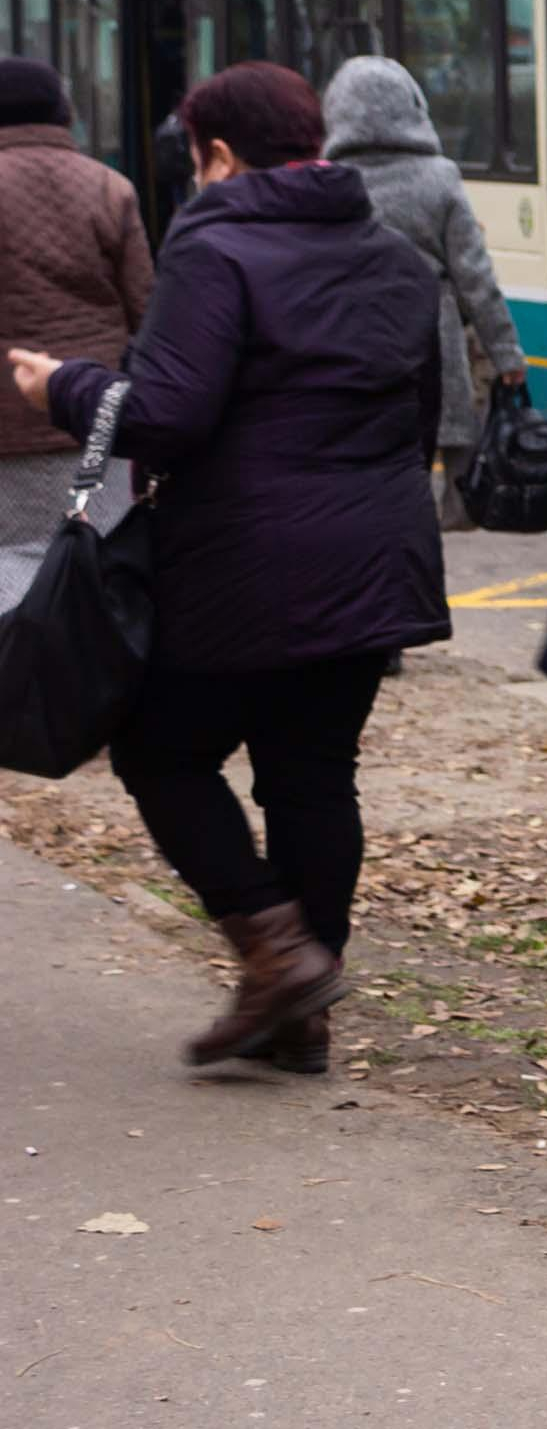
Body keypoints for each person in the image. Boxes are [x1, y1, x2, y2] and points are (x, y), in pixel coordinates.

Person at [8, 63, 445, 1074]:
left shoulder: (215, 245)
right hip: (374, 558)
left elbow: (167, 410)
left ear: (216, 153)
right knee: (313, 773)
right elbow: (418, 419)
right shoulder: (391, 255)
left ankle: (271, 942)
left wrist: (61, 383)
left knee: (161, 751)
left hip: (243, 561)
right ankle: (301, 1010)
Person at [323, 56, 529, 525]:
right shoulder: (440, 177)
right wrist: (507, 357)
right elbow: (476, 278)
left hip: (352, 333)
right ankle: (453, 518)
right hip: (431, 332)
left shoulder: (331, 179)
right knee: (451, 435)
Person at [0, 57, 153, 600]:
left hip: (6, 429)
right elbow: (146, 311)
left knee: (9, 571)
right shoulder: (110, 188)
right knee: (96, 563)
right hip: (94, 419)